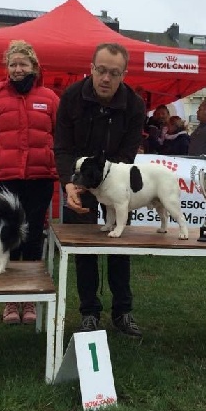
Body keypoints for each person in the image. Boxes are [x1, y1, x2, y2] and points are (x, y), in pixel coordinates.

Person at [54, 42, 146, 337]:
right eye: (101, 70)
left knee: (119, 246)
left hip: (115, 180)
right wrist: (71, 182)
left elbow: (128, 154)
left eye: (114, 73)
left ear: (124, 74)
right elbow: (63, 147)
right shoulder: (70, 98)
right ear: (91, 68)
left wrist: (108, 188)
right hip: (80, 180)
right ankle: (89, 312)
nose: (106, 78)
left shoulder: (134, 105)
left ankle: (123, 311)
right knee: (84, 249)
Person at [0, 40, 59, 325]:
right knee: (9, 233)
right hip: (7, 177)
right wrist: (5, 159)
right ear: (7, 67)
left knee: (34, 234)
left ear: (33, 66)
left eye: (23, 64)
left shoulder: (49, 97)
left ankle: (31, 298)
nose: (17, 69)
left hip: (40, 177)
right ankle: (11, 298)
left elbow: (59, 134)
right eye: (12, 64)